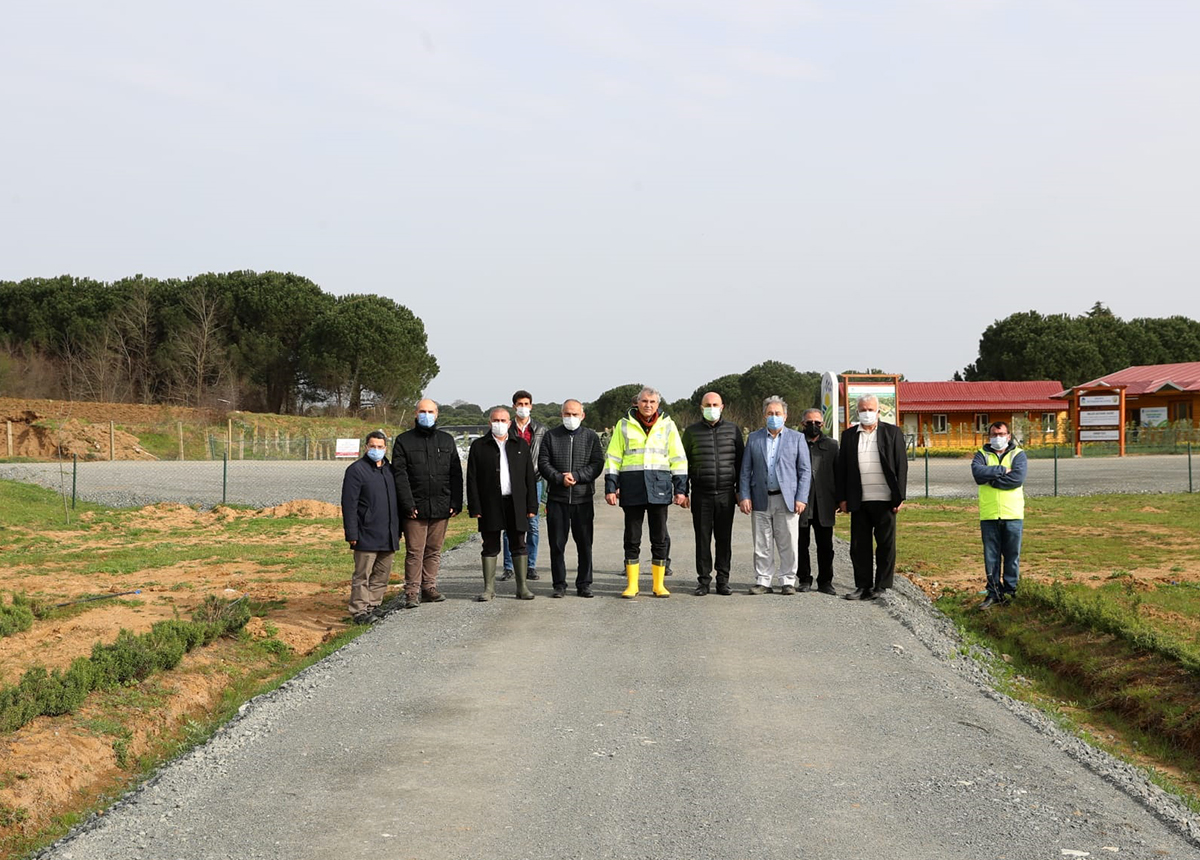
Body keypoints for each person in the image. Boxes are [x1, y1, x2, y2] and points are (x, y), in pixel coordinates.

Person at [604, 387, 688, 599]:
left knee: (659, 537)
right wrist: (610, 487)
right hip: (632, 487)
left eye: (652, 402)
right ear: (637, 403)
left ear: (658, 404)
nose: (648, 405)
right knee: (632, 538)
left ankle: (658, 585)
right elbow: (613, 458)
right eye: (644, 401)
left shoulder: (668, 425)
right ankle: (632, 585)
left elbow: (678, 457)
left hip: (658, 486)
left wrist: (680, 489)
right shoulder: (623, 425)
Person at [835, 394, 907, 601]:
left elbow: (901, 465)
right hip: (859, 499)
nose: (866, 413)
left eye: (870, 409)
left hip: (885, 499)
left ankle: (881, 586)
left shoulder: (892, 433)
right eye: (862, 409)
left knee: (885, 544)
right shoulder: (849, 436)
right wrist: (842, 498)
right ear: (857, 412)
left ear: (878, 412)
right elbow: (843, 469)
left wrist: (899, 497)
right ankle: (862, 586)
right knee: (859, 546)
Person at [392, 399, 463, 609]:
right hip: (415, 508)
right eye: (422, 411)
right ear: (415, 414)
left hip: (441, 506)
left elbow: (456, 473)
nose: (426, 415)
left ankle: (429, 587)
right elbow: (400, 474)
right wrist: (407, 503)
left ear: (437, 414)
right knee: (415, 551)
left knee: (433, 550)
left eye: (430, 411)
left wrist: (455, 502)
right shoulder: (404, 441)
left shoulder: (447, 440)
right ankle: (412, 591)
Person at [739, 397, 811, 595]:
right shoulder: (754, 438)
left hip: (787, 499)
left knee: (788, 541)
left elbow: (804, 470)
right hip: (761, 497)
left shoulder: (796, 438)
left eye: (778, 414)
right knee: (762, 542)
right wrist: (744, 495)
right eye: (770, 414)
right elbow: (746, 470)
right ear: (764, 415)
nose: (774, 417)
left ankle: (788, 579)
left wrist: (801, 497)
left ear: (785, 416)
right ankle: (763, 580)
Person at [467, 407, 539, 601]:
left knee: (519, 543)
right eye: (495, 420)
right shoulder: (479, 446)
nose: (499, 424)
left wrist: (532, 505)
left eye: (503, 420)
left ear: (510, 423)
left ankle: (522, 587)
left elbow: (529, 478)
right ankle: (489, 589)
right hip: (490, 503)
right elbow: (472, 479)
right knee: (490, 545)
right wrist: (475, 506)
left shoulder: (520, 445)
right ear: (489, 423)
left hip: (515, 503)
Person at [538, 399, 605, 597]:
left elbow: (597, 464)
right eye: (567, 414)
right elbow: (543, 462)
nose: (571, 418)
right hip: (557, 499)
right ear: (561, 415)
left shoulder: (591, 436)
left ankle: (584, 583)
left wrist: (577, 476)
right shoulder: (551, 436)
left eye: (575, 414)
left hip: (582, 498)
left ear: (582, 416)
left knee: (584, 544)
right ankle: (559, 584)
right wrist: (559, 478)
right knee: (557, 544)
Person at [681, 391, 744, 596]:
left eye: (715, 404)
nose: (711, 408)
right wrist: (683, 491)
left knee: (724, 539)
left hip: (726, 494)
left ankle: (723, 581)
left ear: (722, 406)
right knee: (703, 539)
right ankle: (703, 581)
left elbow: (741, 463)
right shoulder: (691, 432)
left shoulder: (733, 431)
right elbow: (683, 464)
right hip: (701, 494)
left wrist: (740, 491)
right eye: (707, 404)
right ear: (701, 407)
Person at [340, 431, 400, 624]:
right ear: (366, 447)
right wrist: (352, 532)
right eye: (372, 446)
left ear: (386, 448)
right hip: (366, 532)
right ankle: (359, 611)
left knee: (382, 574)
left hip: (388, 533)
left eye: (380, 447)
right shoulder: (356, 470)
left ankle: (373, 606)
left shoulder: (391, 470)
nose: (376, 450)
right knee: (362, 574)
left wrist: (397, 530)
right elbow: (349, 504)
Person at [971, 420, 1027, 609]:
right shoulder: (982, 455)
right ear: (989, 437)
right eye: (994, 435)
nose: (998, 438)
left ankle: (1011, 591)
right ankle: (994, 593)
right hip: (989, 514)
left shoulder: (1018, 454)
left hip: (1012, 513)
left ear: (1009, 436)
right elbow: (978, 474)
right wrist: (1002, 470)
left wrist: (993, 480)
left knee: (1012, 555)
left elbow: (1017, 479)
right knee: (991, 557)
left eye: (1001, 434)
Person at [501, 390, 548, 582]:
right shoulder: (506, 428)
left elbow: (544, 456)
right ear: (514, 406)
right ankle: (509, 566)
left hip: (534, 481)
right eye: (519, 404)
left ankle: (531, 566)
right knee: (508, 525)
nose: (523, 407)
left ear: (531, 406)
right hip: (511, 482)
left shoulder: (540, 429)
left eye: (526, 403)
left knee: (533, 525)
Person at [797, 408, 838, 595]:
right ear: (802, 424)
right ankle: (804, 579)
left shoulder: (832, 446)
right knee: (800, 544)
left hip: (825, 502)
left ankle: (825, 581)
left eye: (817, 423)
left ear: (823, 425)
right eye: (809, 423)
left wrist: (840, 499)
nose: (813, 426)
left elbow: (840, 473)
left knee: (825, 545)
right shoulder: (795, 443)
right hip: (801, 504)